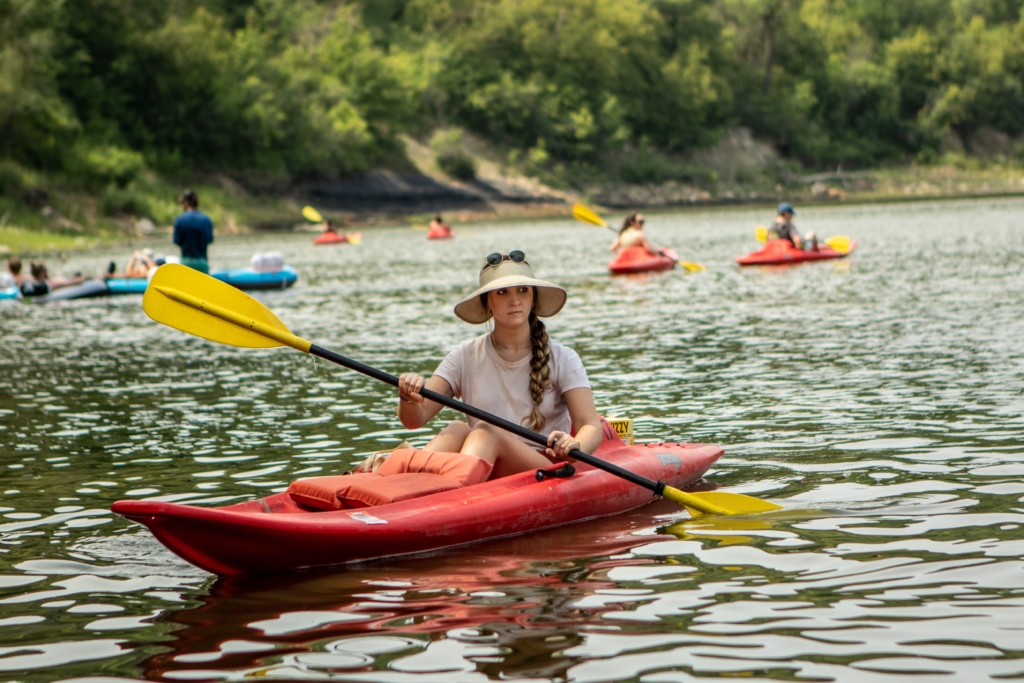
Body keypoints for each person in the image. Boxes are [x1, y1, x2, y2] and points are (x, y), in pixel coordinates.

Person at [397, 251, 602, 479]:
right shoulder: (464, 355)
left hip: (543, 468)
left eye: (522, 291)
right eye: (502, 292)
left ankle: (447, 493)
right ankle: (407, 487)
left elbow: (590, 425)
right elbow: (415, 418)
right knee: (457, 429)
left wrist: (575, 444)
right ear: (488, 304)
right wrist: (408, 396)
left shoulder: (564, 357)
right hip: (483, 461)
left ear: (533, 299)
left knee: (486, 431)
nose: (514, 300)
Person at [172, 189, 214, 273]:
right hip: (202, 262)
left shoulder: (180, 220)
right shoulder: (207, 219)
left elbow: (177, 241)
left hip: (186, 262)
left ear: (186, 202)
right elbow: (210, 239)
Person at [20, 262, 86, 297]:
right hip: (44, 290)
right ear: (42, 272)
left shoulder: (26, 281)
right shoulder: (48, 283)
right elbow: (69, 283)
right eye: (46, 270)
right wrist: (82, 279)